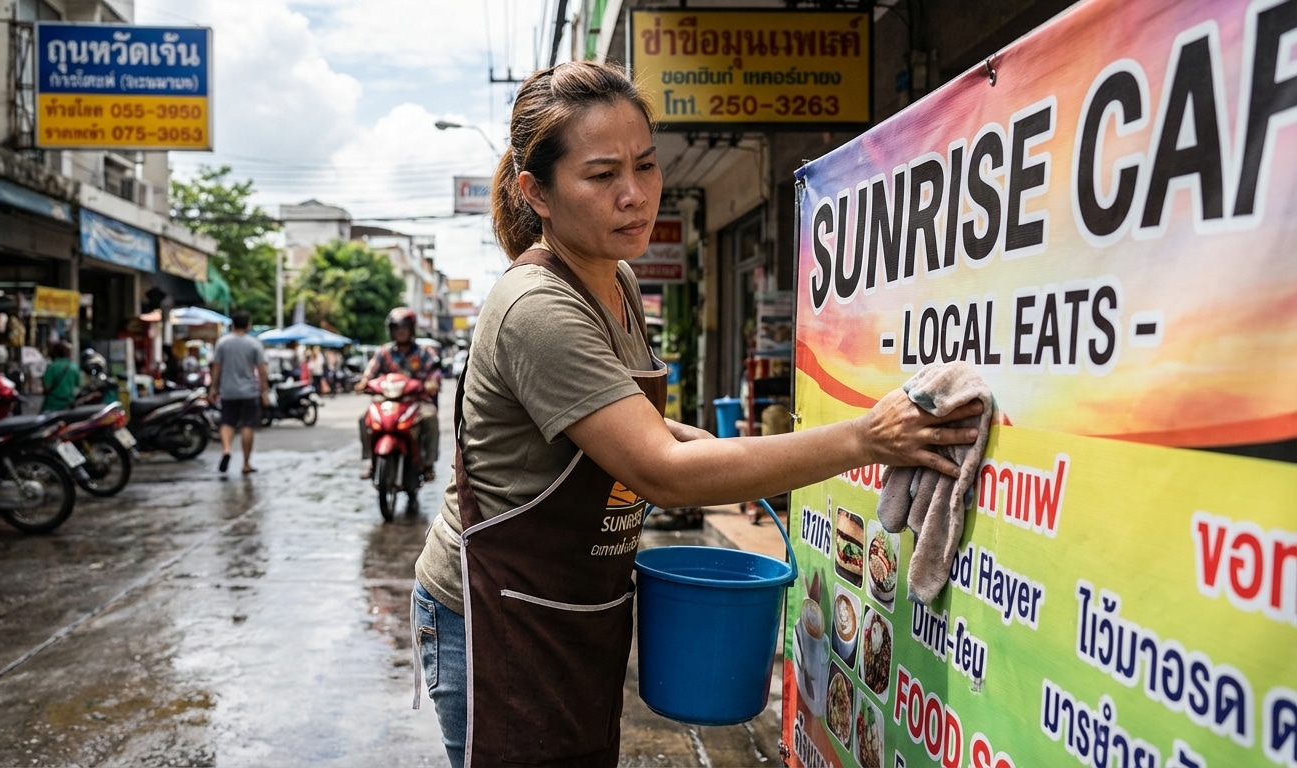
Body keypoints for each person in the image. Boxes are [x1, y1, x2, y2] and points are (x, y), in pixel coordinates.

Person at [409, 61, 983, 768]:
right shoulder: (537, 309)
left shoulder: (614, 279)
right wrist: (867, 436)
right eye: (600, 176)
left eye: (645, 166)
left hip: (576, 607)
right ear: (538, 192)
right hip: (494, 611)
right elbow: (662, 471)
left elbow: (619, 428)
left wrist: (706, 445)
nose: (634, 195)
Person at [357, 307, 441, 481]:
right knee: (363, 418)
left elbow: (435, 373)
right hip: (387, 400)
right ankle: (371, 461)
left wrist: (432, 383)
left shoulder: (425, 352)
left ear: (411, 329)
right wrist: (363, 382)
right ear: (391, 330)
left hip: (416, 401)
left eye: (404, 327)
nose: (400, 331)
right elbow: (370, 372)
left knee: (431, 417)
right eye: (396, 327)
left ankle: (428, 464)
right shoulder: (383, 352)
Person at [209, 311, 268, 475]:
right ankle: (246, 463)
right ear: (248, 324)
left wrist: (213, 387)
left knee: (227, 422)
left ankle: (227, 450)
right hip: (249, 391)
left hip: (227, 391)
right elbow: (262, 369)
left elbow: (216, 367)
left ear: (233, 324)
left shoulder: (222, 343)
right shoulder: (254, 344)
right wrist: (264, 391)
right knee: (247, 425)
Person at [39, 341, 80, 412]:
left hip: (52, 405)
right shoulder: (74, 367)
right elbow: (78, 385)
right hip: (68, 405)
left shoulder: (52, 366)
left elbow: (47, 387)